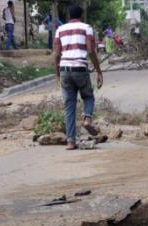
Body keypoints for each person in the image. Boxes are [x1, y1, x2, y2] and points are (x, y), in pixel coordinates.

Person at [54, 5, 103, 150]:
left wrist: (57, 73)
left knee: (69, 105)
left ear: (69, 15)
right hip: (80, 68)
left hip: (64, 70)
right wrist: (99, 71)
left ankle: (70, 141)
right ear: (81, 15)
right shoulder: (86, 28)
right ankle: (87, 119)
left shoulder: (60, 30)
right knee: (88, 96)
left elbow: (57, 54)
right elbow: (91, 50)